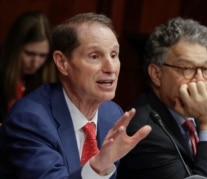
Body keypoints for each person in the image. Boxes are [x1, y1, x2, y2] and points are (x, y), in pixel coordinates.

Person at [0, 12, 152, 178]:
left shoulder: (112, 114)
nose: (111, 68)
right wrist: (97, 167)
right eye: (94, 56)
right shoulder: (30, 120)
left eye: (114, 55)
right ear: (62, 63)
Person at [117, 17, 207, 179]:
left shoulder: (194, 112)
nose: (200, 80)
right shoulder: (143, 131)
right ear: (156, 74)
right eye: (187, 68)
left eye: (205, 69)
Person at [0, 11, 57, 123]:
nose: (35, 62)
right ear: (15, 48)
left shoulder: (43, 79)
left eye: (42, 55)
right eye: (29, 53)